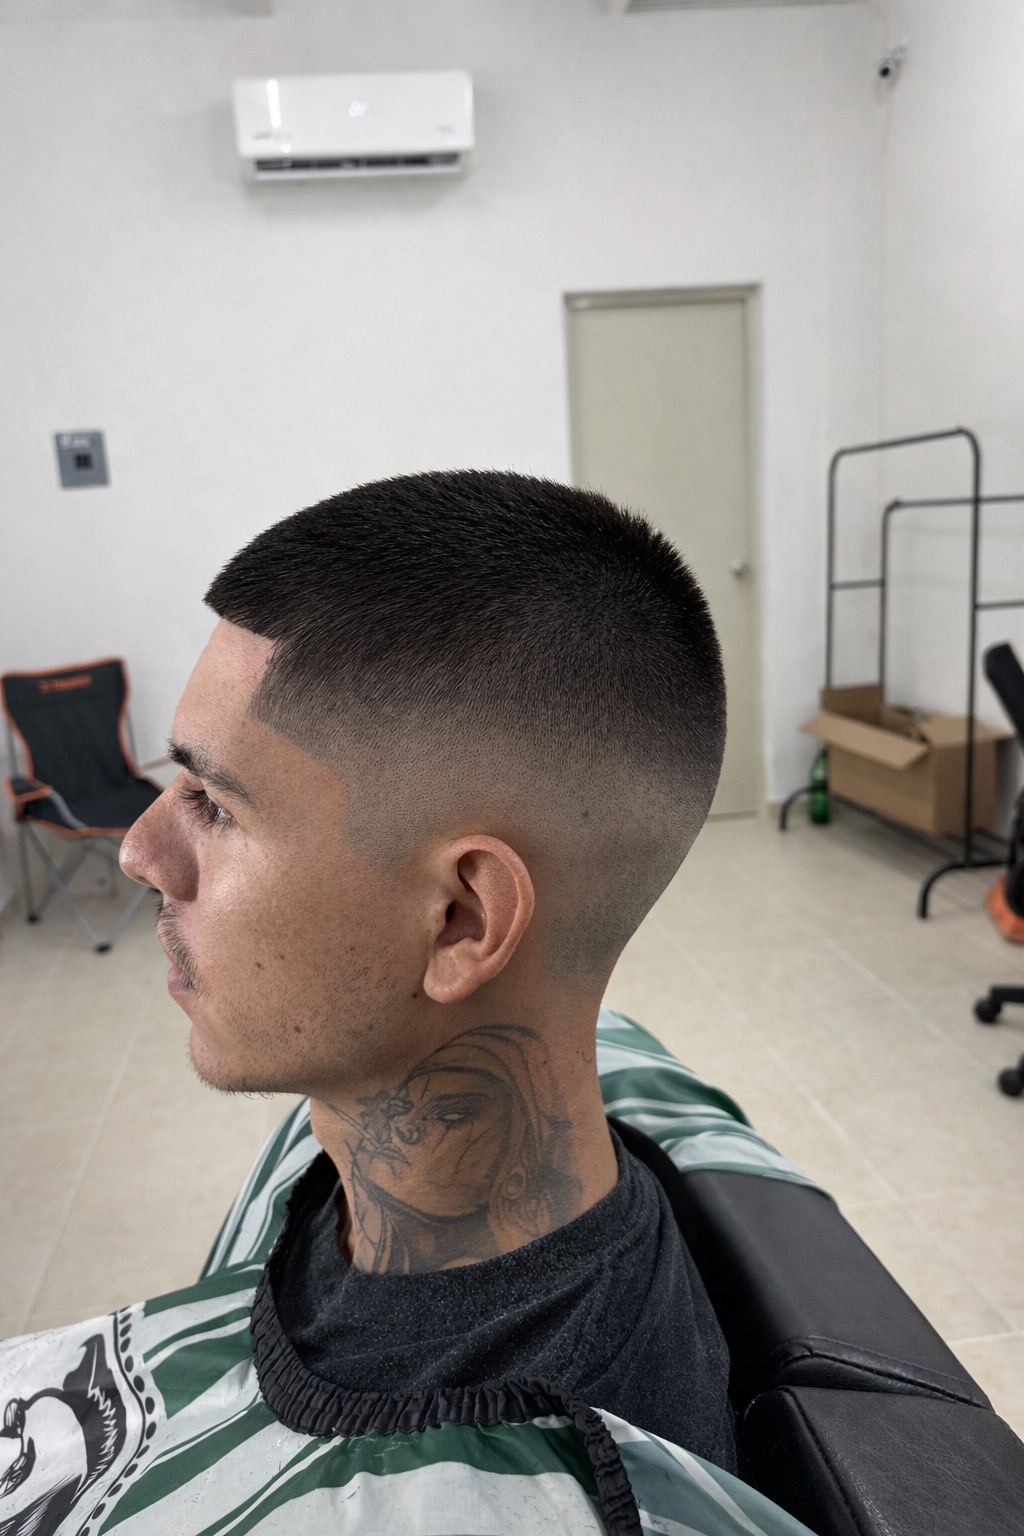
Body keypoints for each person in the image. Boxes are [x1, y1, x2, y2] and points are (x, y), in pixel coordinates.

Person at [0, 471, 815, 1536]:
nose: (140, 852)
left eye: (212, 804)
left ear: (459, 921)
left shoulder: (522, 1501)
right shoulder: (353, 1130)